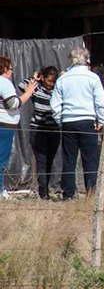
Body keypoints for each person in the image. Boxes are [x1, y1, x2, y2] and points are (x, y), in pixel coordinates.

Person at [50, 48, 104, 200]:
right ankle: (91, 193)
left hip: (68, 121)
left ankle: (68, 194)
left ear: (71, 60)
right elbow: (100, 101)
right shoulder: (93, 77)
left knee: (69, 159)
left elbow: (54, 104)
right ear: (87, 59)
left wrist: (60, 120)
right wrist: (100, 120)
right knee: (90, 159)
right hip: (87, 120)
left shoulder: (63, 78)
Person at [18, 66, 60, 199]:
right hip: (38, 130)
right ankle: (43, 192)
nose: (50, 84)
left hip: (54, 130)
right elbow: (22, 84)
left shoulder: (57, 92)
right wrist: (34, 78)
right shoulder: (36, 89)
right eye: (48, 81)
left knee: (49, 161)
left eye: (53, 81)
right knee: (41, 160)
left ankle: (47, 187)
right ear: (43, 78)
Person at [0, 56, 36, 199]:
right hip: (4, 125)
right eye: (10, 68)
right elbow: (12, 104)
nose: (12, 71)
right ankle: (0, 190)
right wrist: (28, 93)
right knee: (1, 159)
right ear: (4, 69)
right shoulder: (4, 83)